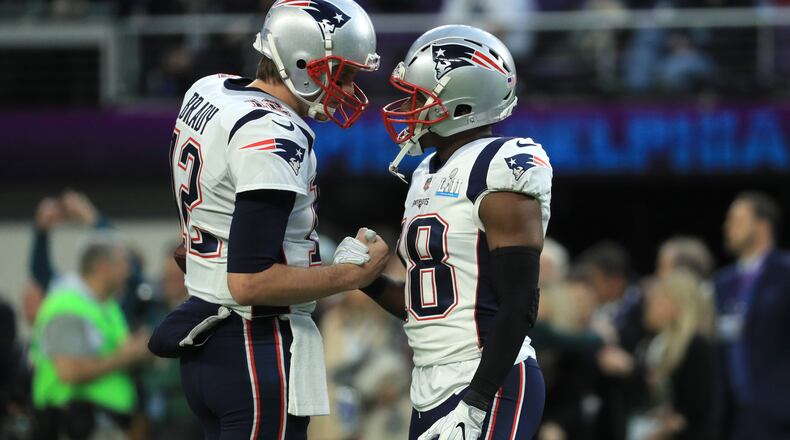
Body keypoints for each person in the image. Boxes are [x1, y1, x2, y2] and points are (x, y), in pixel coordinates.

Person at [147, 0, 389, 438]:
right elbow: (250, 281)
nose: (349, 89)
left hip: (208, 346)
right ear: (302, 63)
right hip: (253, 345)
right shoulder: (273, 132)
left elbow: (199, 237)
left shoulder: (210, 90)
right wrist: (351, 275)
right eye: (344, 73)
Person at [353, 25, 551, 440]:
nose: (408, 106)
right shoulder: (425, 172)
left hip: (488, 380)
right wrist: (366, 280)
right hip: (428, 386)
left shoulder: (499, 165)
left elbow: (520, 303)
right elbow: (427, 306)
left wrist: (478, 398)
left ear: (461, 104)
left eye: (419, 97)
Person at [29, 235, 150, 440]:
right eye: (122, 264)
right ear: (102, 267)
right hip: (74, 422)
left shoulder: (108, 307)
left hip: (103, 421)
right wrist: (126, 357)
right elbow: (69, 371)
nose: (128, 272)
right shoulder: (66, 308)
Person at [713, 191, 790, 440]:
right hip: (734, 415)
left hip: (779, 412)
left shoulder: (785, 274)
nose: (727, 227)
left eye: (736, 220)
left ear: (762, 225)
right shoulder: (722, 283)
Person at [632, 269, 714, 440]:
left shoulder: (696, 345)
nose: (648, 305)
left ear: (676, 304)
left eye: (656, 300)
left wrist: (658, 432)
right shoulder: (657, 344)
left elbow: (695, 407)